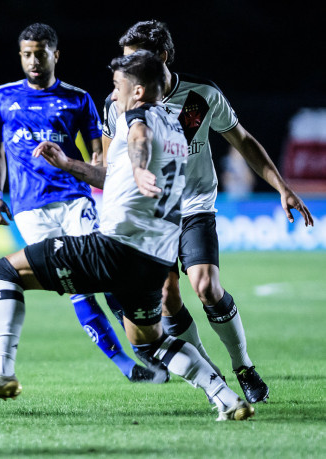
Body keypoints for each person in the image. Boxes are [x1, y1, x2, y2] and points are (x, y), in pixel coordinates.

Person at [0, 50, 256, 421]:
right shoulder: (178, 127)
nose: (113, 94)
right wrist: (67, 164)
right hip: (152, 261)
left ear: (139, 90)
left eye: (118, 86)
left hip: (115, 248)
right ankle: (224, 396)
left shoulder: (138, 118)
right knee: (149, 338)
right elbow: (114, 176)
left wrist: (141, 167)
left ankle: (1, 371)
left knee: (5, 270)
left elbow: (139, 139)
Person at [101, 20, 315, 404]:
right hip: (152, 215)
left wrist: (282, 187)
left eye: (133, 61)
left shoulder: (201, 95)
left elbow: (244, 140)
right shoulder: (117, 102)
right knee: (167, 298)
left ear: (162, 58)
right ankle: (208, 373)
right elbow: (109, 166)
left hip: (195, 205)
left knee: (207, 287)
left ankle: (243, 366)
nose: (125, 69)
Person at [0, 22, 167, 392]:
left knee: (106, 272)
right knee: (77, 288)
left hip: (74, 200)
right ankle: (127, 365)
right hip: (30, 208)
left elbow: (101, 155)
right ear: (20, 56)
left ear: (55, 54)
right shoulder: (1, 97)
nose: (34, 61)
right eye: (27, 54)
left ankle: (143, 345)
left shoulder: (77, 99)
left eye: (41, 53)